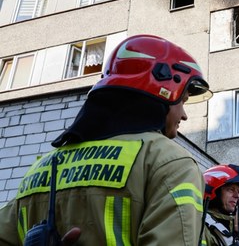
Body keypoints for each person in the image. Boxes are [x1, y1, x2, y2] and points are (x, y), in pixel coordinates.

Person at [0, 34, 213, 245]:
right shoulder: (171, 163)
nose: (184, 114)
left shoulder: (40, 167)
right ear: (166, 91)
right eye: (183, 101)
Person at [202, 164, 239, 246]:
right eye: (231, 190)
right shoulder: (201, 228)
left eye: (238, 191)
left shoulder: (230, 229)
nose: (237, 195)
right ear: (215, 193)